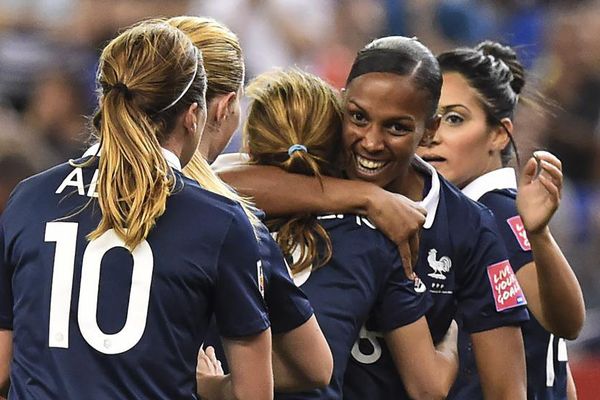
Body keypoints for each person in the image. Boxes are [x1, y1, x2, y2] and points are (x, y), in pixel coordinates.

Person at [214, 36, 530, 399]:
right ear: (343, 103)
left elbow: (507, 388)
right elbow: (215, 184)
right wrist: (366, 198)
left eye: (397, 127)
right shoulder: (308, 162)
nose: (371, 142)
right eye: (359, 117)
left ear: (430, 128)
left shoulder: (469, 227)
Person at [0, 20, 273, 400]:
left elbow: (2, 367)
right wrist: (210, 385)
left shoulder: (29, 197)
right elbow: (256, 393)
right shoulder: (221, 220)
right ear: (194, 115)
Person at [239, 67, 459, 400]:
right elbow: (429, 388)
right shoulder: (374, 239)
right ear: (337, 148)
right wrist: (453, 340)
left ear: (251, 148)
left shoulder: (216, 219)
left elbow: (211, 176)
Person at [167, 16, 333, 391]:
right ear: (226, 105)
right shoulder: (232, 221)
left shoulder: (70, 195)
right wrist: (213, 388)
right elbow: (317, 369)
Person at [417, 41, 585, 399]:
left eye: (455, 119)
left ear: (498, 133)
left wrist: (540, 236)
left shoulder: (492, 217)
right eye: (427, 117)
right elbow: (552, 359)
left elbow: (565, 323)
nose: (433, 135)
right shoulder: (493, 211)